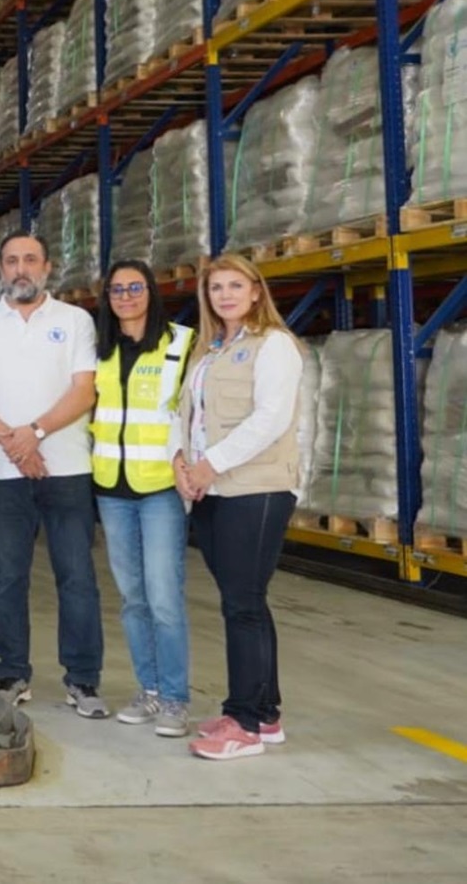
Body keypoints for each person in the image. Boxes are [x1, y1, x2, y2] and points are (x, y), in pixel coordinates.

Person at [0, 230, 107, 717]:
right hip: (5, 471)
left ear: (47, 267)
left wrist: (36, 433)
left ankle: (83, 681)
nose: (20, 268)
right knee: (7, 577)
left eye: (30, 260)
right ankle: (12, 674)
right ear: (0, 269)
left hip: (66, 468)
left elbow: (84, 391)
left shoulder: (75, 320)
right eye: (10, 261)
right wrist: (14, 442)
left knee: (77, 577)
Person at [177, 252, 303, 761]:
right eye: (215, 288)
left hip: (257, 489)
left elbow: (271, 418)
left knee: (243, 605)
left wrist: (212, 464)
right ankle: (265, 713)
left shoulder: (274, 346)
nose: (224, 295)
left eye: (235, 285)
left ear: (256, 291)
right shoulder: (209, 350)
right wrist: (182, 462)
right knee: (245, 600)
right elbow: (187, 413)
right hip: (213, 490)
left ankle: (245, 724)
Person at [90, 259, 194, 738]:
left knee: (164, 596)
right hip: (112, 487)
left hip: (159, 489)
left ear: (151, 291)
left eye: (135, 287)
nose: (126, 296)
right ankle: (148, 690)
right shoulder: (101, 349)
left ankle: (175, 698)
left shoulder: (180, 343)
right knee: (133, 598)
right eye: (117, 289)